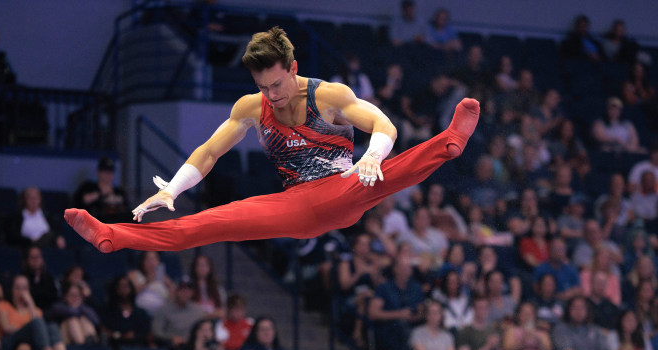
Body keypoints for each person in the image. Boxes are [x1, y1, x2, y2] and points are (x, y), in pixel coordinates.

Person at [64, 27, 480, 254]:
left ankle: (448, 141)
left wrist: (371, 157)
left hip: (344, 189)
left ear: (294, 67)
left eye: (278, 84)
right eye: (263, 87)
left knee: (385, 173)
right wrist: (173, 188)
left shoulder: (328, 96)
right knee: (205, 224)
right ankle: (113, 236)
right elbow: (210, 151)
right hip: (294, 207)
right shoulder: (251, 106)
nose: (272, 95)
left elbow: (383, 124)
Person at [0, 274, 66, 350]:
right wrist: (28, 329)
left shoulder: (36, 310)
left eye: (25, 288)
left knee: (52, 327)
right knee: (37, 323)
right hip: (10, 343)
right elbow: (6, 327)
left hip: (31, 344)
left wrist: (30, 302)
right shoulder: (3, 305)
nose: (21, 292)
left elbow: (38, 327)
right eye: (18, 288)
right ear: (11, 289)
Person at [151, 279, 206, 347]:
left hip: (193, 346)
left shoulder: (198, 310)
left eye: (188, 290)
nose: (185, 293)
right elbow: (156, 331)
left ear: (192, 293)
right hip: (171, 346)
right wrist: (171, 338)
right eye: (182, 290)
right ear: (176, 291)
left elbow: (205, 329)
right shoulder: (164, 309)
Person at [128, 251, 175, 318]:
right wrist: (147, 281)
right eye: (148, 259)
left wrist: (169, 285)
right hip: (140, 314)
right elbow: (130, 294)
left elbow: (174, 297)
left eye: (154, 259)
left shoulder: (164, 278)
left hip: (161, 314)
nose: (151, 263)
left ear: (158, 261)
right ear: (142, 261)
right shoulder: (134, 274)